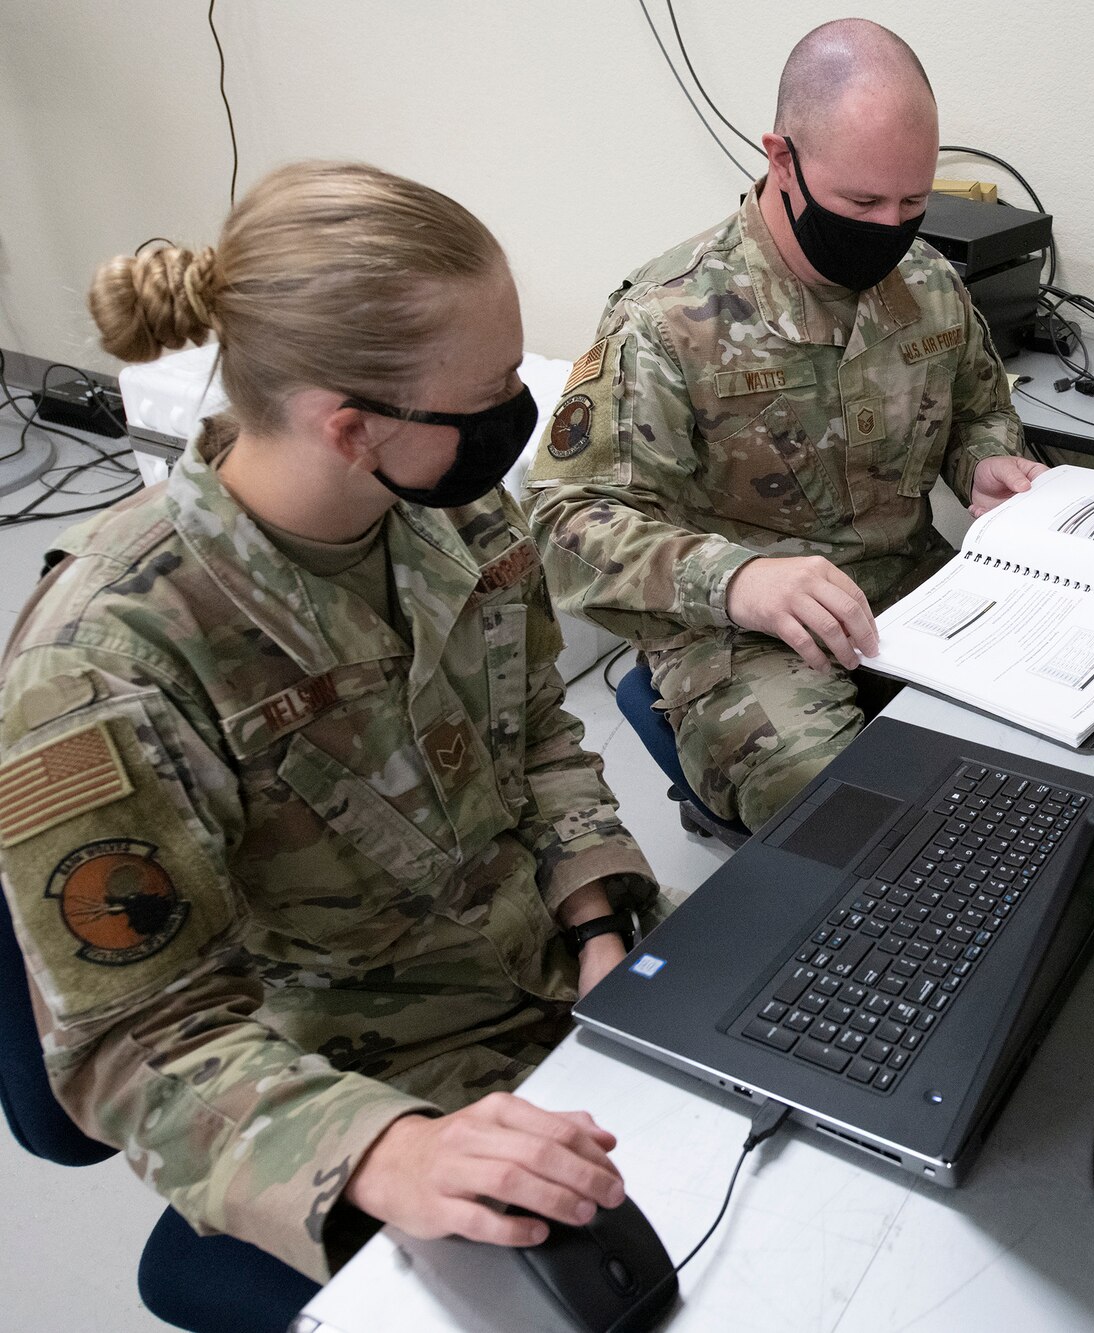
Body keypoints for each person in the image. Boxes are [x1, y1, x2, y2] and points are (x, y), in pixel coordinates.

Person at [0, 162, 664, 1281]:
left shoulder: (448, 505)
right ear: (352, 427)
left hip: (556, 971)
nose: (514, 415)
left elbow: (538, 732)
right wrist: (387, 1154)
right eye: (493, 389)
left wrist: (597, 926)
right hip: (356, 1079)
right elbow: (136, 1043)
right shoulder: (106, 663)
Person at [527, 19, 1046, 831]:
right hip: (737, 633)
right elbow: (566, 521)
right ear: (782, 159)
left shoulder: (928, 285)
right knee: (852, 818)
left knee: (1052, 747)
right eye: (860, 201)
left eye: (912, 202)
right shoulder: (668, 319)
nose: (889, 228)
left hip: (911, 596)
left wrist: (987, 464)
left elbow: (979, 409)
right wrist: (735, 580)